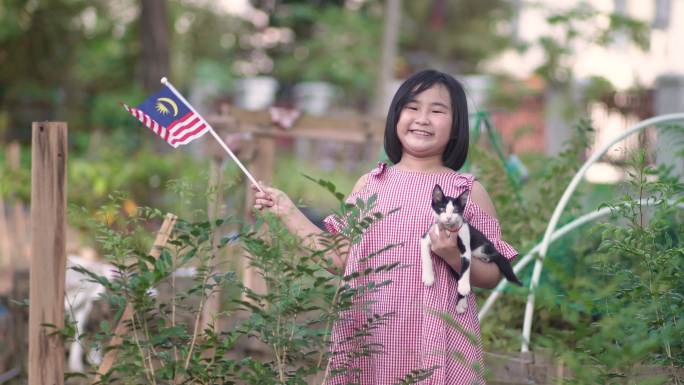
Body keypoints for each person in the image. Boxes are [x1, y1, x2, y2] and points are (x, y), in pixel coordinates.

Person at [252, 69, 518, 385]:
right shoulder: (370, 185)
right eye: (412, 107)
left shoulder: (468, 191)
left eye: (437, 111)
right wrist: (287, 211)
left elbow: (492, 274)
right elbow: (340, 258)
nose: (423, 118)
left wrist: (454, 257)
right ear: (395, 116)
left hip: (437, 343)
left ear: (457, 125)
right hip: (370, 337)